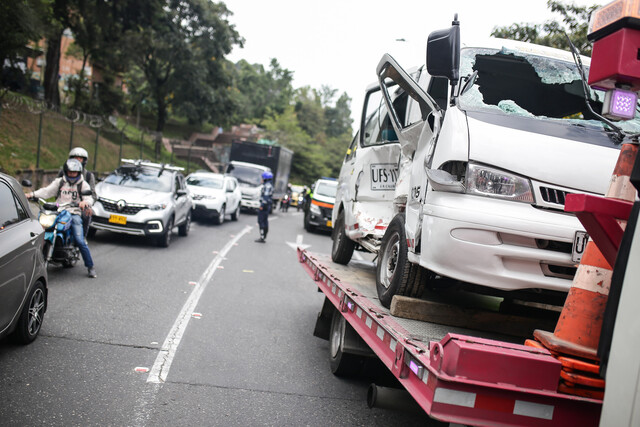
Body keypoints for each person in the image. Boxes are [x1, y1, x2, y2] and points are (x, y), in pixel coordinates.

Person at [28, 158, 97, 278]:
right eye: (69, 172)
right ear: (66, 171)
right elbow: (46, 191)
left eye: (74, 172)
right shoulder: (60, 182)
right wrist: (31, 194)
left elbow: (89, 197)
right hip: (59, 211)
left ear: (79, 172)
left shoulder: (83, 183)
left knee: (80, 240)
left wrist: (85, 203)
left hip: (74, 213)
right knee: (40, 230)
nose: (72, 174)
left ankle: (90, 267)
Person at [58, 147, 96, 236]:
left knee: (87, 214)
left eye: (80, 158)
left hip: (80, 206)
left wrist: (87, 203)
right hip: (63, 203)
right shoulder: (62, 173)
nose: (77, 160)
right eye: (75, 158)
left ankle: (82, 236)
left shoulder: (89, 176)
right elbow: (54, 188)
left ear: (84, 161)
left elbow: (93, 195)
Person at [255, 171, 274, 243]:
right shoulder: (270, 185)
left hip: (264, 206)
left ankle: (262, 237)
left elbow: (265, 197)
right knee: (265, 221)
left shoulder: (267, 186)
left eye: (263, 178)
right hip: (267, 206)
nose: (262, 179)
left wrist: (262, 205)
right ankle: (264, 235)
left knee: (261, 221)